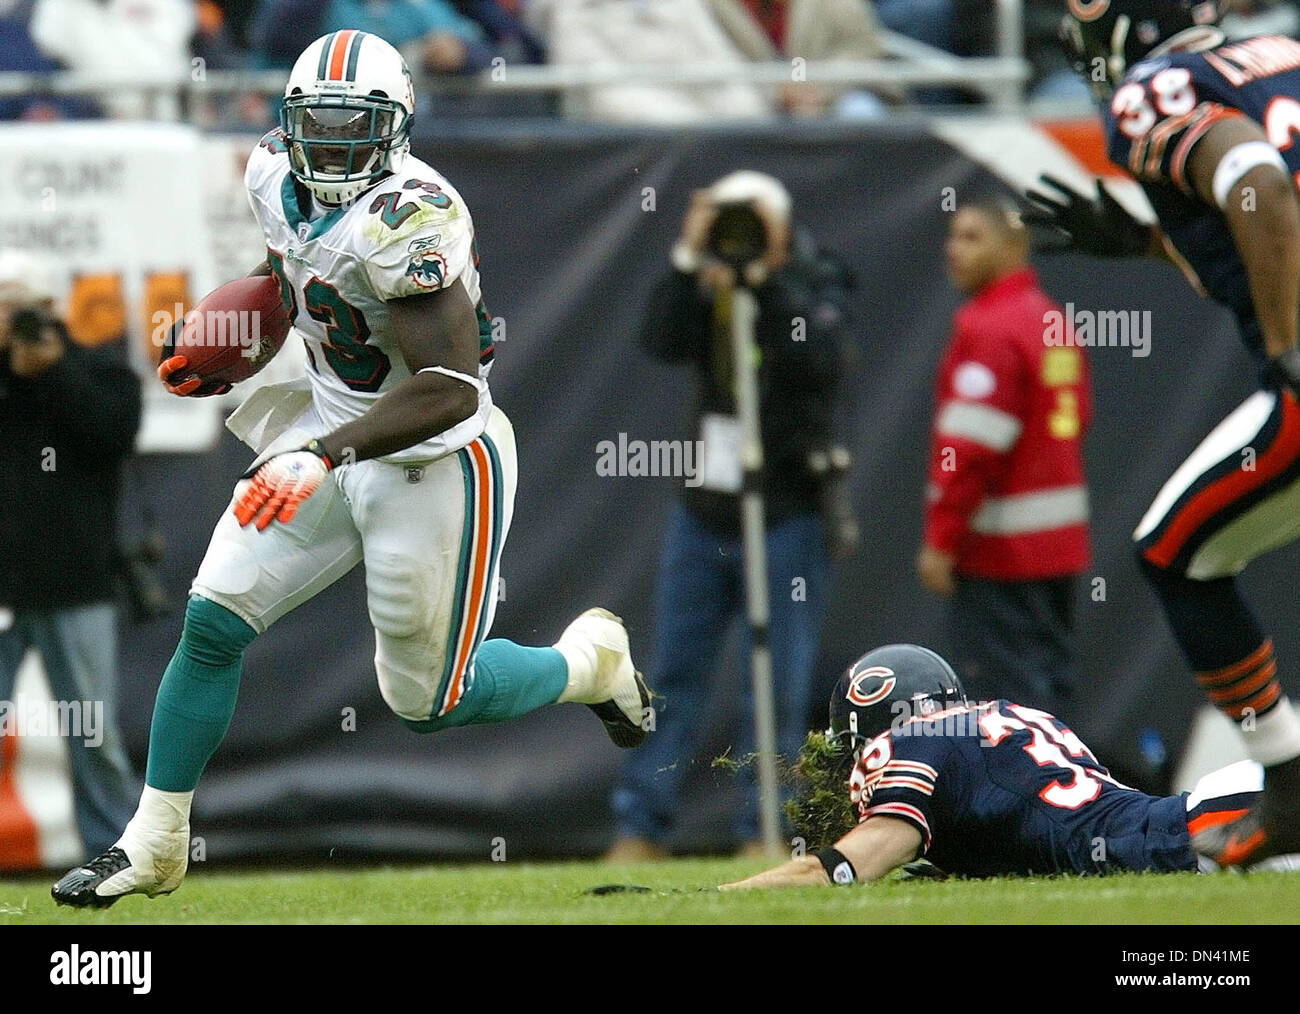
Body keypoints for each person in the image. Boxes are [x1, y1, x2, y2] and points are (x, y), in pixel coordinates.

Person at [52, 29, 650, 908]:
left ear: (396, 130)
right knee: (214, 617)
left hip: (434, 459)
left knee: (426, 702)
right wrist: (234, 333)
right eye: (316, 127)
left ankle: (588, 663)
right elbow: (292, 272)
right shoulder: (268, 174)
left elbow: (448, 387)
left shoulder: (412, 216)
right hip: (325, 436)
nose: (329, 148)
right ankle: (154, 841)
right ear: (289, 123)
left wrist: (320, 452)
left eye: (351, 129)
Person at [1022, 0, 1300, 869]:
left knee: (1176, 550)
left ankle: (1288, 790)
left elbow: (1260, 185)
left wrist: (1292, 354)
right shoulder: (1280, 52)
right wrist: (1154, 243)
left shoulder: (1153, 89)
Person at [606, 170, 857, 861]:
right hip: (706, 508)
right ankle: (640, 823)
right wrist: (689, 258)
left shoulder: (816, 279)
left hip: (786, 506)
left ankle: (764, 828)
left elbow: (821, 362)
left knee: (775, 678)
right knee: (671, 672)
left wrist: (770, 281)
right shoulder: (706, 280)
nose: (738, 239)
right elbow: (659, 339)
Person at [720, 643, 1294, 891]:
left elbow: (843, 869)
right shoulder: (1000, 721)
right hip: (1206, 812)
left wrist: (726, 896)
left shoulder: (912, 740)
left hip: (1205, 833)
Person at [917, 197, 1092, 717]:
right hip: (1058, 550)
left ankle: (1031, 799)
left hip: (999, 556)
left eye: (972, 237)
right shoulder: (1053, 321)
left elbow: (967, 450)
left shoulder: (986, 327)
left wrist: (941, 539)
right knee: (1053, 695)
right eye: (952, 236)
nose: (954, 250)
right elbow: (1075, 416)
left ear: (1014, 247)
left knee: (1009, 709)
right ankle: (1076, 796)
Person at [0, 248, 141, 860]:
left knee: (95, 734)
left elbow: (114, 432)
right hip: (5, 586)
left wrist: (52, 373)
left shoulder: (98, 370)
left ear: (52, 309)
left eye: (17, 311)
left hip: (74, 581)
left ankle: (117, 853)